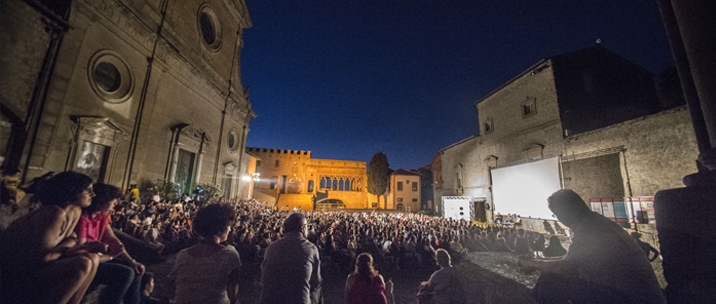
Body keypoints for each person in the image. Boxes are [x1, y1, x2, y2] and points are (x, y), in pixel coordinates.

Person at [518, 189, 666, 304]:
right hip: (634, 295)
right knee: (551, 276)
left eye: (556, 214)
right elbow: (570, 260)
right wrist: (537, 263)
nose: (559, 219)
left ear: (567, 212)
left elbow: (566, 268)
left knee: (552, 280)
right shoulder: (596, 223)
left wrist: (534, 263)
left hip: (633, 299)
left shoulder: (591, 229)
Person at [0, 171, 102, 304]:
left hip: (39, 265)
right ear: (73, 190)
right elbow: (44, 258)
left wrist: (77, 244)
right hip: (17, 271)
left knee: (93, 258)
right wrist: (76, 244)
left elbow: (68, 242)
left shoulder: (75, 211)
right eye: (88, 190)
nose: (93, 195)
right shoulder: (54, 213)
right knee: (83, 263)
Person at [75, 183, 145, 304]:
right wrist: (111, 256)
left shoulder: (102, 216)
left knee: (136, 271)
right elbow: (81, 251)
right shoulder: (83, 219)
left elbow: (111, 238)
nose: (116, 203)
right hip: (88, 262)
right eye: (113, 200)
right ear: (104, 200)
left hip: (99, 257)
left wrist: (132, 261)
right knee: (126, 273)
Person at [168, 203, 242, 304]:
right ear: (221, 228)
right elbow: (233, 295)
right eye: (228, 226)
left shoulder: (182, 255)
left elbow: (172, 290)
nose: (230, 229)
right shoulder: (229, 254)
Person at [260, 213, 322, 304]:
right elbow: (316, 282)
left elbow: (264, 278)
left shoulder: (271, 248)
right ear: (303, 228)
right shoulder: (310, 249)